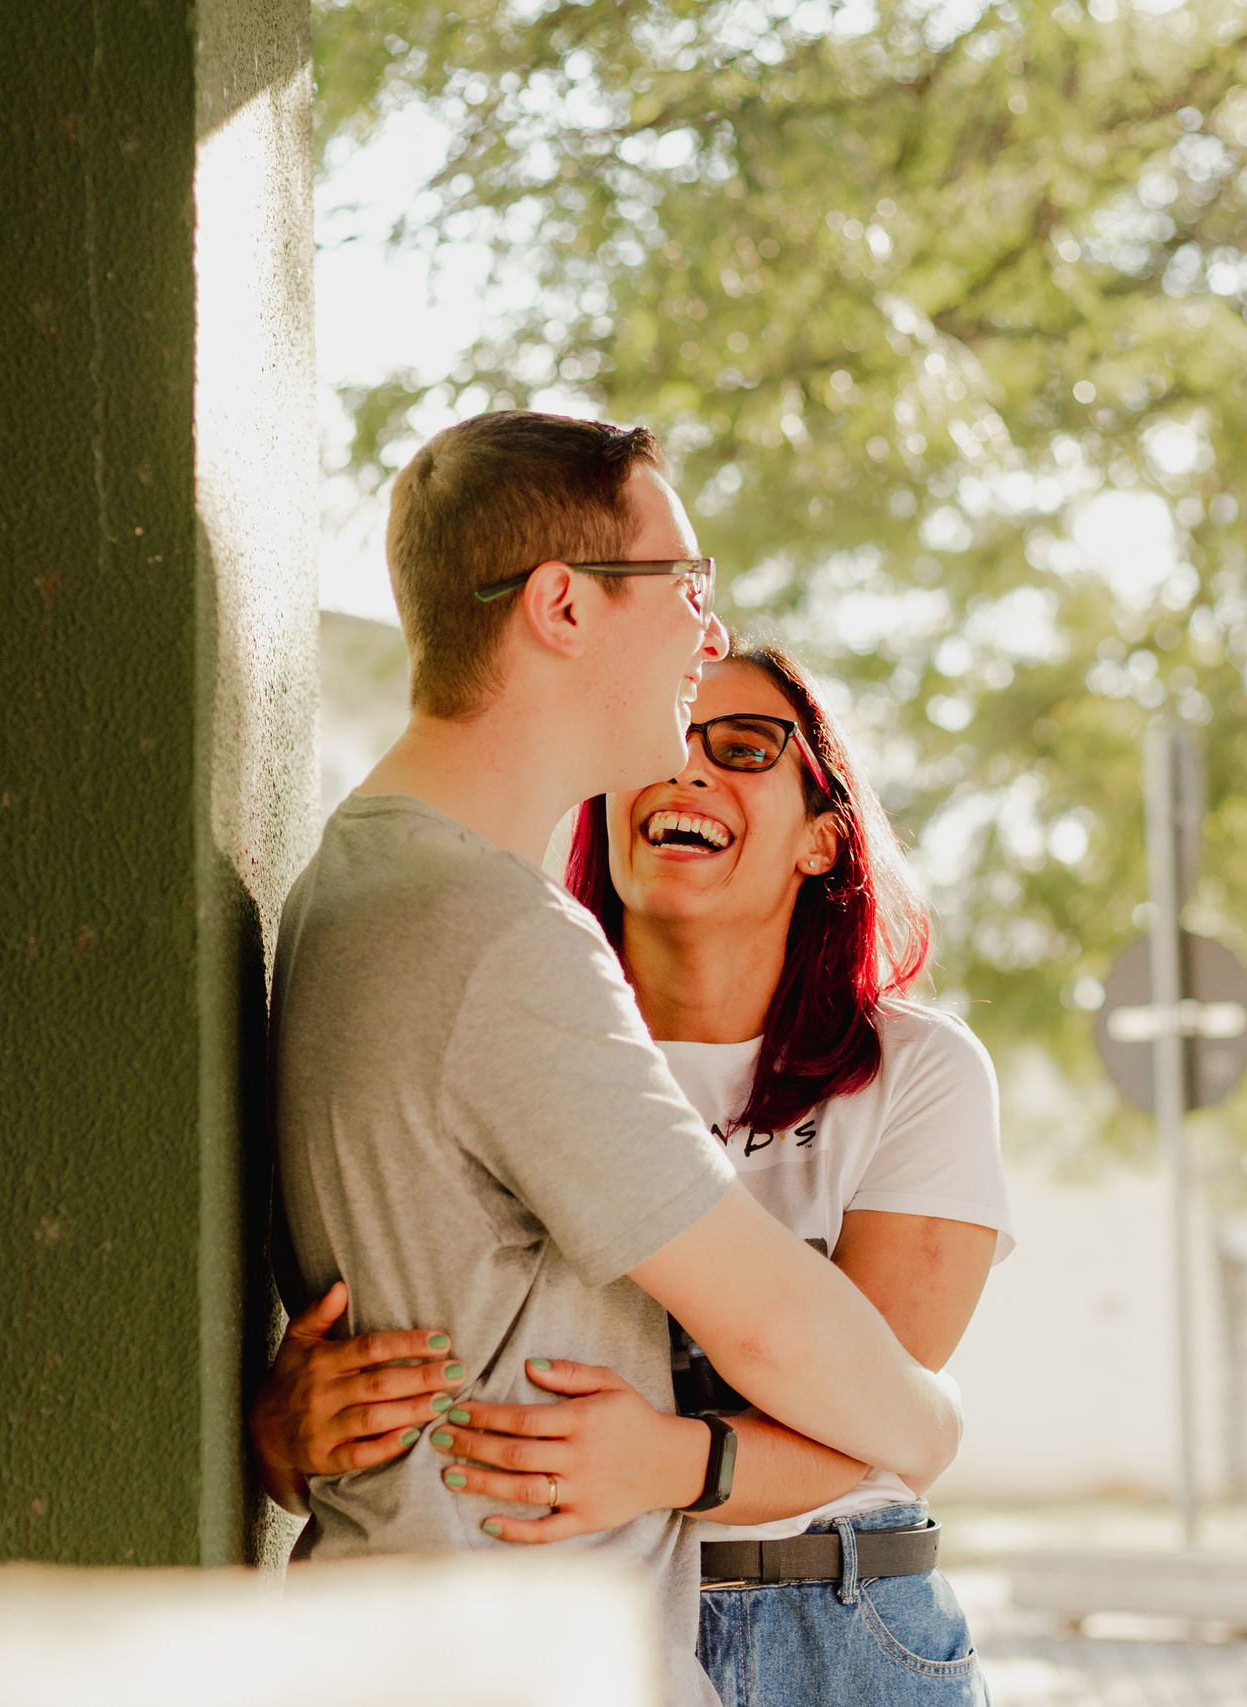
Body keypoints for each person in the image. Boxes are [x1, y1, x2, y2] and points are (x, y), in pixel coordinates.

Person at [265, 410, 962, 1707]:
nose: (709, 631)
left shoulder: (353, 883)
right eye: (685, 585)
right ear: (564, 606)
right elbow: (774, 1326)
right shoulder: (493, 932)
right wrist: (936, 1422)